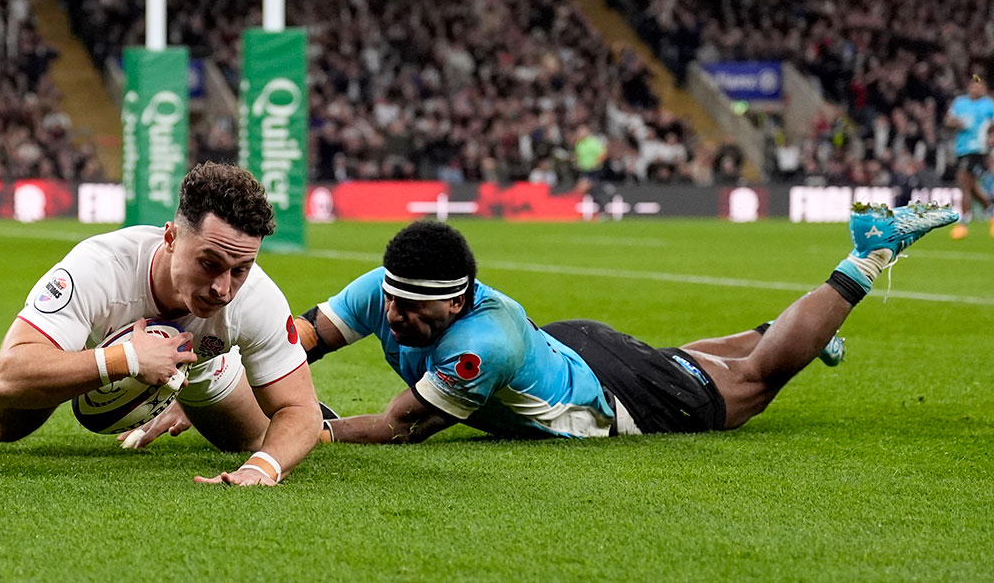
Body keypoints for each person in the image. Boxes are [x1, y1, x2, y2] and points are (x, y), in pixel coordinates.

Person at [294, 205, 956, 444]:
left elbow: (401, 426)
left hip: (607, 395)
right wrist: (250, 367)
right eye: (391, 300)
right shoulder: (386, 285)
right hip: (568, 346)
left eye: (414, 310)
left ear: (457, 303)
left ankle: (866, 256)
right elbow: (305, 334)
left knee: (751, 385)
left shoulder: (479, 347)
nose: (394, 316)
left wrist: (310, 427)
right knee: (677, 359)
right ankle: (789, 326)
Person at [0, 162, 322, 486]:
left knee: (251, 440)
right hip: (91, 347)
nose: (223, 288)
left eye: (240, 270)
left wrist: (261, 469)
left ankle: (180, 396)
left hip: (203, 364)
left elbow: (301, 410)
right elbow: (6, 377)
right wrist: (126, 359)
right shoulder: (99, 267)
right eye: (209, 263)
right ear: (170, 239)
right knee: (1, 428)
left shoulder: (258, 298)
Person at [943, 74, 994, 239]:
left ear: (984, 88)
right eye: (973, 85)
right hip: (961, 149)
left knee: (963, 181)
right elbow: (948, 121)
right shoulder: (960, 103)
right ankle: (992, 212)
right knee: (971, 186)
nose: (975, 88)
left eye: (979, 86)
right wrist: (958, 123)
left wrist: (991, 137)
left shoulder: (988, 105)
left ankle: (963, 222)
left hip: (978, 149)